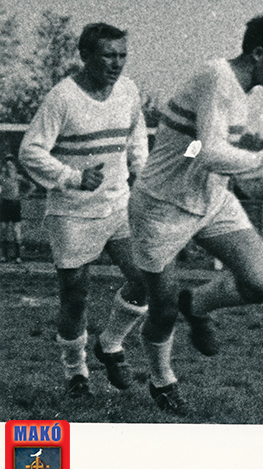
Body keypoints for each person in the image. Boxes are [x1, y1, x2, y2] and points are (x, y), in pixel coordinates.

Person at [129, 11, 263, 416]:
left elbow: (200, 149)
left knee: (262, 283)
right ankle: (162, 380)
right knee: (161, 310)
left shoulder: (240, 91)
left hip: (211, 199)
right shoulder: (217, 76)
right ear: (258, 53)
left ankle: (196, 304)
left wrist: (193, 157)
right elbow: (211, 152)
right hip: (162, 206)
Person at [18, 23, 149, 399]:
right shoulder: (62, 97)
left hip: (118, 205)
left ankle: (111, 344)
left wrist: (140, 171)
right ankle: (76, 371)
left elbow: (136, 135)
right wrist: (72, 177)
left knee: (145, 278)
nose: (116, 63)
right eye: (108, 55)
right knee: (75, 297)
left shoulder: (128, 90)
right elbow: (30, 150)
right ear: (86, 55)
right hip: (72, 213)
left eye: (122, 55)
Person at [0, 155, 34, 263]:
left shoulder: (17, 177)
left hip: (15, 204)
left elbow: (32, 186)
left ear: (14, 167)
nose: (9, 168)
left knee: (16, 231)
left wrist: (24, 195)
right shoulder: (2, 178)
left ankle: (18, 256)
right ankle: (4, 255)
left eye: (11, 166)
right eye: (7, 165)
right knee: (3, 229)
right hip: (4, 204)